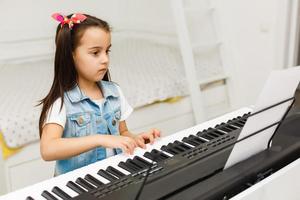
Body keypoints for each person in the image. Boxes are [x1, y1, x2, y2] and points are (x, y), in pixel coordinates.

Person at [38, 13, 161, 175]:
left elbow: (122, 132)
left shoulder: (114, 92)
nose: (105, 59)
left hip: (114, 176)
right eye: (95, 53)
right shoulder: (61, 101)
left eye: (107, 51)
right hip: (79, 185)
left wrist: (136, 139)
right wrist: (99, 139)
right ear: (71, 55)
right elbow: (48, 149)